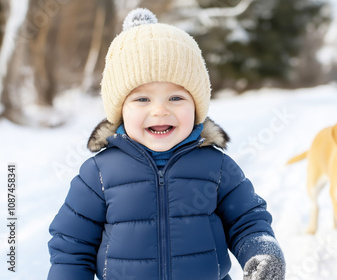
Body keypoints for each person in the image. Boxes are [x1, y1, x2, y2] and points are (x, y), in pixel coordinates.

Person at [47, 8, 285, 280]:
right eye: (142, 99)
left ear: (196, 107)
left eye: (175, 98)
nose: (159, 110)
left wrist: (262, 251)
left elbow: (247, 220)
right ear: (119, 109)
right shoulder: (98, 174)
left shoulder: (216, 166)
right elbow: (71, 247)